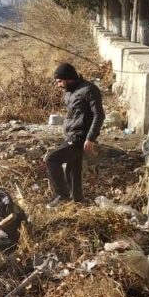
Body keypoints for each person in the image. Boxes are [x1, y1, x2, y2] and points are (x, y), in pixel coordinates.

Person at [45, 62, 104, 206]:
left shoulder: (89, 89)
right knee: (73, 171)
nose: (58, 85)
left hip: (80, 137)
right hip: (71, 135)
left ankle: (62, 195)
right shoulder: (70, 92)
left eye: (60, 81)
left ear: (68, 78)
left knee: (52, 159)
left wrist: (90, 138)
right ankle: (77, 202)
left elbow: (99, 115)